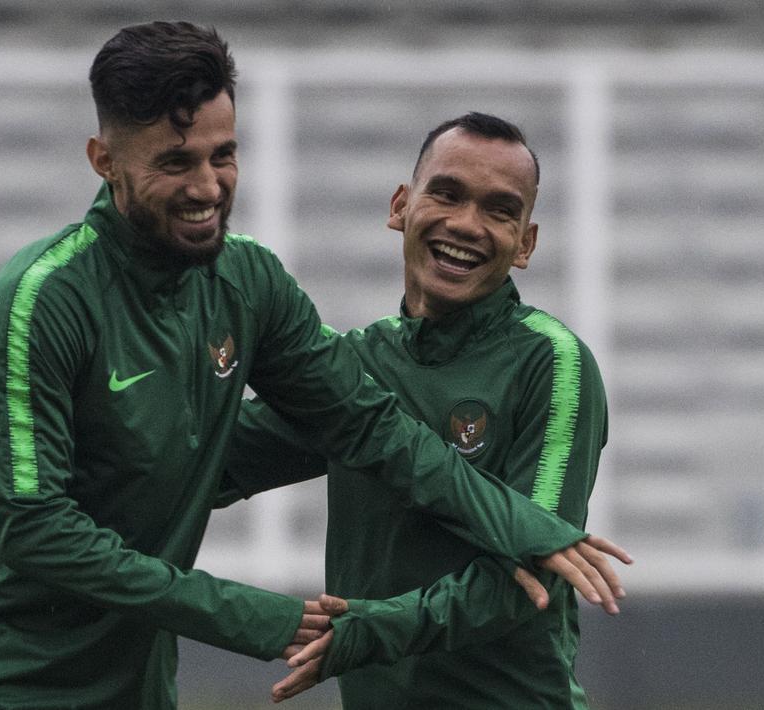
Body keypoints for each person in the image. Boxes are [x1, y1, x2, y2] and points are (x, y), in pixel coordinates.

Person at [0, 22, 629, 710]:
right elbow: (50, 518)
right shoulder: (41, 299)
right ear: (104, 160)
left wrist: (523, 527)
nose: (207, 187)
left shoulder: (547, 360)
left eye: (223, 155)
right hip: (19, 681)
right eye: (176, 162)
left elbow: (368, 427)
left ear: (526, 241)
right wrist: (258, 617)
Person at [228, 112, 612, 707]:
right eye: (448, 194)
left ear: (525, 244)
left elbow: (530, 577)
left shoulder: (552, 362)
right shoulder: (353, 365)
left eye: (499, 210)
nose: (467, 225)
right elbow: (211, 465)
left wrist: (373, 630)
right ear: (400, 206)